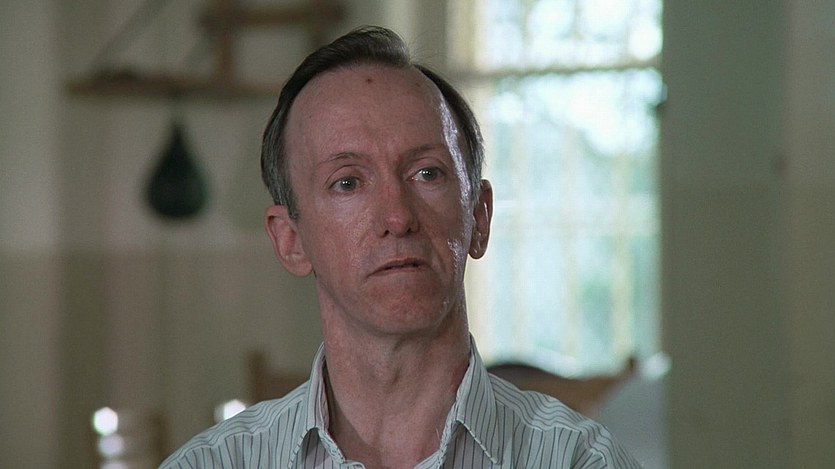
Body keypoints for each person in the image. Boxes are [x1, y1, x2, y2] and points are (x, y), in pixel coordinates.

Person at [160, 26, 641, 469]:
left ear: (478, 217)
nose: (397, 217)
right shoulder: (214, 464)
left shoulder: (580, 460)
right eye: (347, 182)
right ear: (290, 241)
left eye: (427, 173)